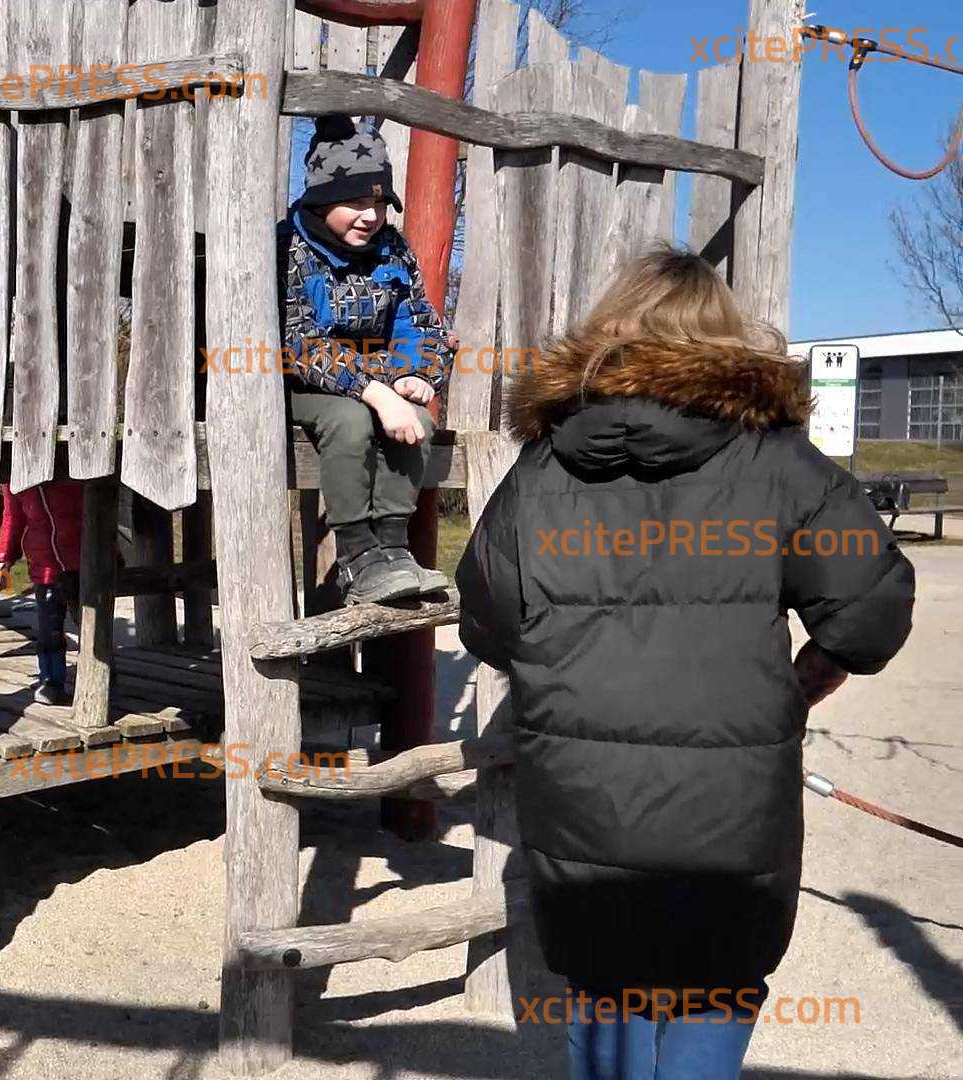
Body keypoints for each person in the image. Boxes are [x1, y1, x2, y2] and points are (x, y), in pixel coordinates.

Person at [456, 246, 915, 1080]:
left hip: (581, 789)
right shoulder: (782, 463)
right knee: (717, 978)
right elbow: (871, 615)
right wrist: (800, 688)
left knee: (604, 980)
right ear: (727, 338)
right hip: (731, 797)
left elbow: (488, 620)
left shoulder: (542, 467)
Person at [281, 114, 456, 604]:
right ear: (320, 200)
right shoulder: (289, 249)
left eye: (380, 204)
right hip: (297, 390)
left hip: (374, 386)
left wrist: (419, 374)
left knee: (419, 420)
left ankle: (393, 551)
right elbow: (299, 344)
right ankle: (357, 558)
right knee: (351, 420)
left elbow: (419, 323)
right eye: (356, 203)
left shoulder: (392, 251)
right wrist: (377, 391)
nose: (371, 216)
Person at [0, 480, 83, 704]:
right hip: (44, 565)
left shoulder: (74, 477)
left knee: (89, 624)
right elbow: (12, 517)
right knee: (49, 630)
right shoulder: (15, 480)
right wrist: (4, 557)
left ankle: (102, 673)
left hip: (80, 560)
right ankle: (50, 681)